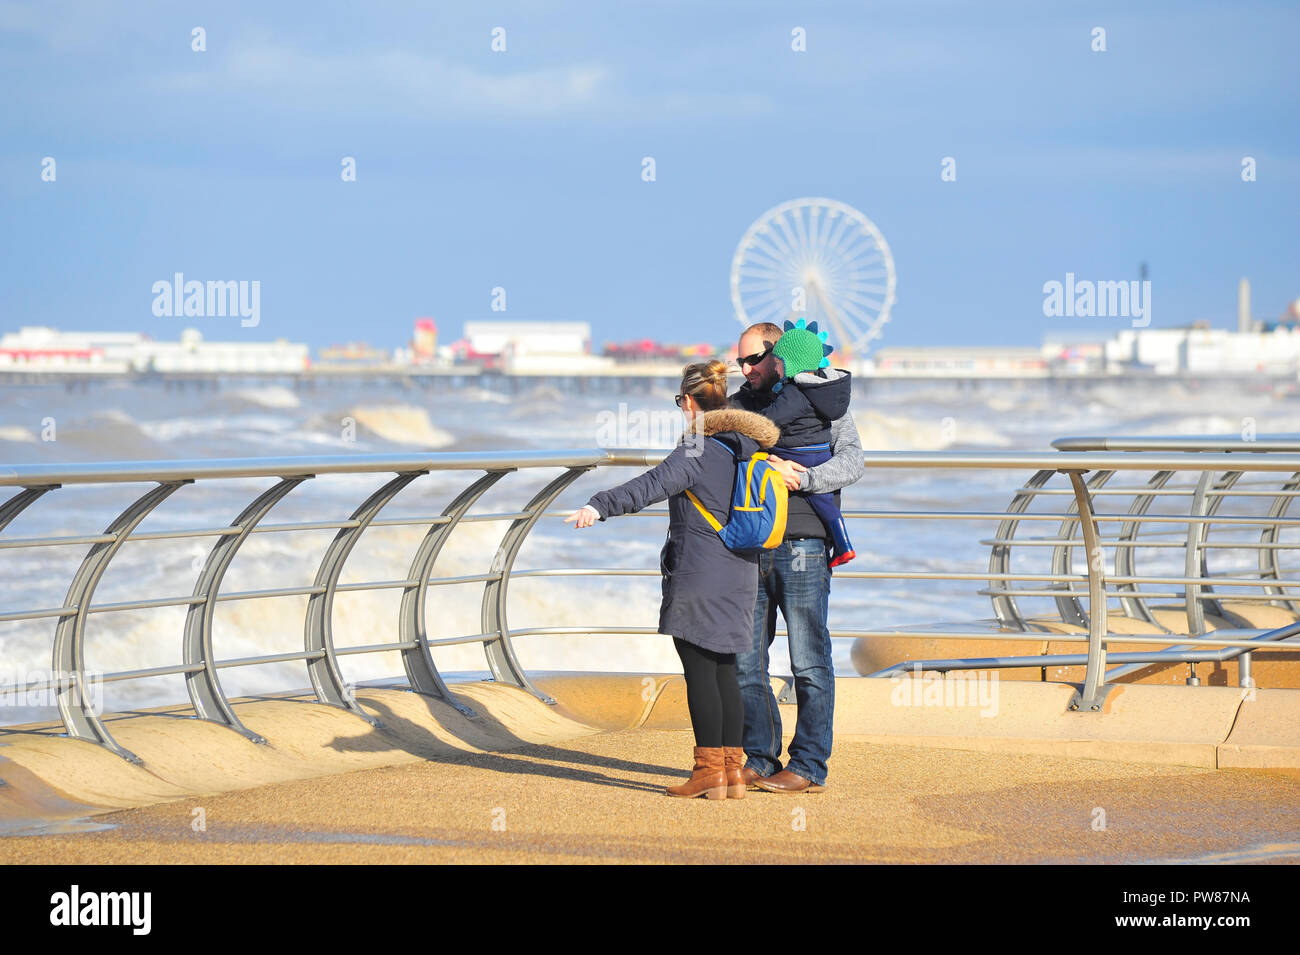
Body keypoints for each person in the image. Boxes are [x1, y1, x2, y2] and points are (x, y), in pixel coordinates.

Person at [565, 359, 781, 799]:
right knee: (726, 670)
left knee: (701, 671)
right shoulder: (748, 444)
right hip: (741, 569)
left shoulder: (698, 448)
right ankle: (732, 772)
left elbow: (652, 484)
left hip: (702, 573)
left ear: (687, 402)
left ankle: (707, 772)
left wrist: (599, 505)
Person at [729, 321, 864, 794]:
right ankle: (760, 758)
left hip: (803, 543)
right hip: (748, 544)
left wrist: (803, 479)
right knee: (746, 661)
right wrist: (763, 463)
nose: (743, 370)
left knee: (808, 659)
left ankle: (808, 766)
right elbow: (715, 455)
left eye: (751, 360)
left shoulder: (821, 396)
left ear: (777, 355)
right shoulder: (740, 404)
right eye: (739, 362)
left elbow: (853, 462)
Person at [760, 318, 856, 566]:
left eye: (778, 362)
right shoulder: (824, 393)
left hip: (797, 453)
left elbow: (773, 419)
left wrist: (751, 424)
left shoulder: (794, 392)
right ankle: (843, 544)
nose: (775, 368)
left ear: (790, 363)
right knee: (824, 501)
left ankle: (842, 546)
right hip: (819, 450)